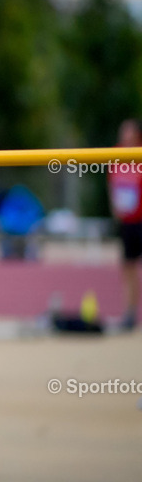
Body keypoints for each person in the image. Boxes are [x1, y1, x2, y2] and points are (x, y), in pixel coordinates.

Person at [108, 118, 142, 331]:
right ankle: (130, 312)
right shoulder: (116, 153)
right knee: (128, 266)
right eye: (123, 132)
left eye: (128, 132)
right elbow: (112, 181)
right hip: (127, 221)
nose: (124, 136)